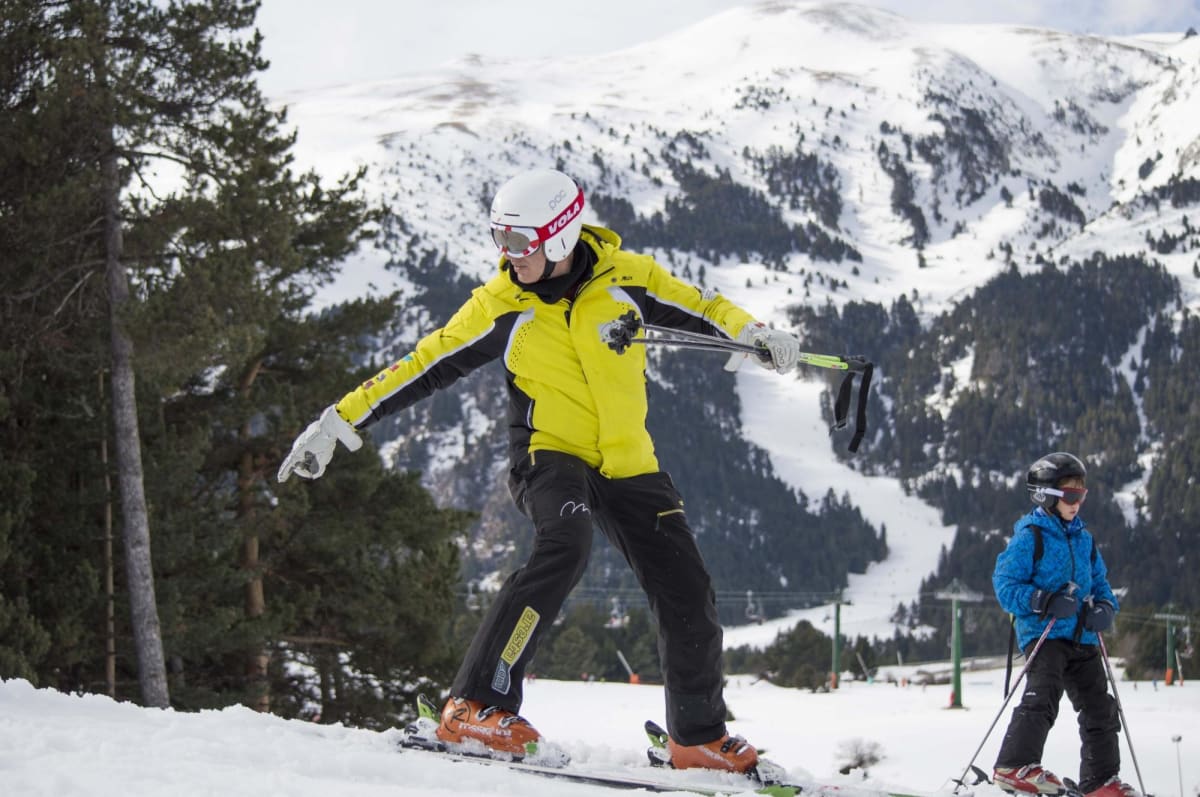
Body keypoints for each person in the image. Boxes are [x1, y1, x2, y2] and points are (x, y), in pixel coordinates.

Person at [277, 168, 804, 772]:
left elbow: (702, 307)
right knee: (566, 545)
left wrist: (753, 332)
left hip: (630, 460)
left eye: (519, 241)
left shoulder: (629, 280)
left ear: (559, 237)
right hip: (548, 454)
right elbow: (424, 363)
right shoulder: (502, 304)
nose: (507, 255)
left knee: (687, 586)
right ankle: (475, 704)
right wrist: (339, 422)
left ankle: (696, 736)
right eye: (498, 239)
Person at [991, 452, 1138, 797]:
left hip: (1083, 636)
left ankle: (1100, 781)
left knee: (1101, 707)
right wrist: (1042, 601)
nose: (1077, 503)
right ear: (1047, 496)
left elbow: (1100, 582)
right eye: (1071, 496)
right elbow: (1006, 585)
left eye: (1081, 495)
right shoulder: (1032, 536)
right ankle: (1014, 765)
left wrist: (1104, 607)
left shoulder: (1084, 539)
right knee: (1043, 694)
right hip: (1045, 634)